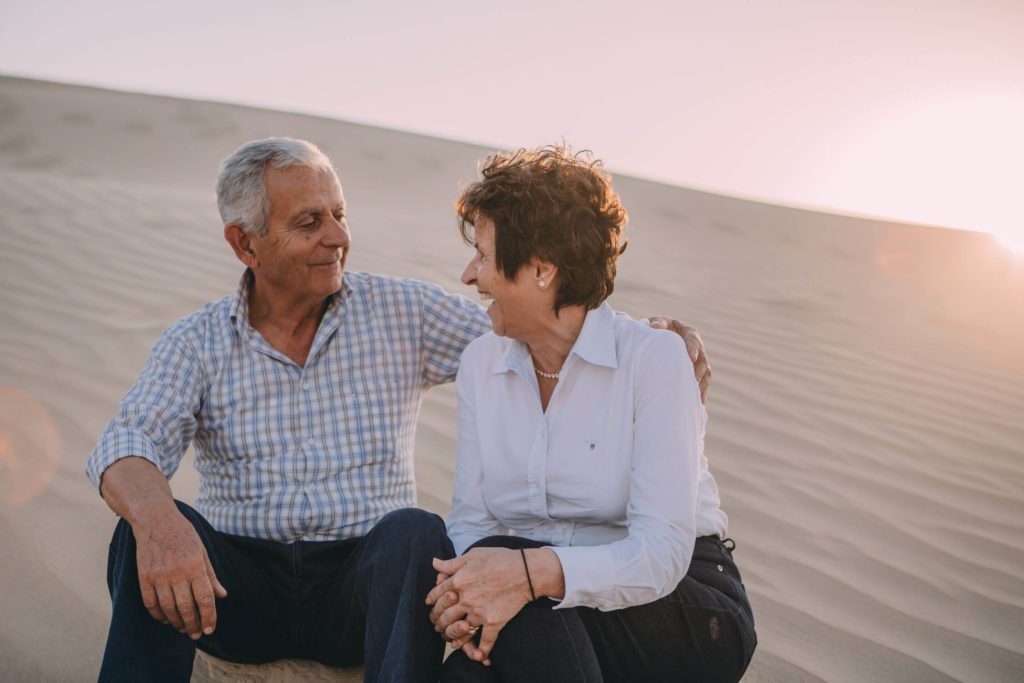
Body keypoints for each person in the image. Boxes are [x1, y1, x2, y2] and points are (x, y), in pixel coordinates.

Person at [85, 137, 710, 682]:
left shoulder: (402, 313)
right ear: (245, 244)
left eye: (339, 214)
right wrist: (161, 526)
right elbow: (125, 445)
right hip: (237, 590)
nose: (337, 237)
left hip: (366, 590)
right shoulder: (195, 342)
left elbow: (539, 321)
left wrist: (649, 339)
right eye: (309, 222)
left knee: (413, 531)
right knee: (140, 532)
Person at [427, 146, 756, 682]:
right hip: (551, 615)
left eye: (483, 255)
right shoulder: (481, 364)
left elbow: (660, 555)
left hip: (682, 610)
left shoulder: (654, 358)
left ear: (542, 268)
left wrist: (528, 575)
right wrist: (475, 593)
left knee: (518, 586)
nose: (470, 274)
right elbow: (473, 521)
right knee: (469, 673)